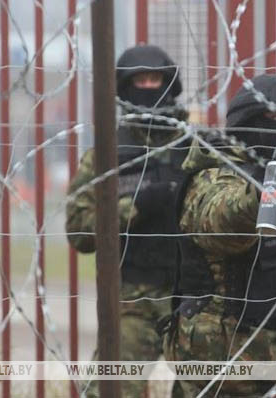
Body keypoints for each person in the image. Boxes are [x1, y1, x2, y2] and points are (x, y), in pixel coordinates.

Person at [164, 74, 276, 397]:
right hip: (223, 374)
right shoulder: (212, 176)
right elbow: (222, 220)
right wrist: (262, 195)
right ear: (251, 118)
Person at [66, 44, 188, 397]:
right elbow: (78, 230)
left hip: (193, 298)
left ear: (169, 85)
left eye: (155, 80)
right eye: (140, 81)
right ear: (124, 88)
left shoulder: (195, 147)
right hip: (134, 301)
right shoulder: (107, 154)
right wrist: (135, 206)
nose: (148, 87)